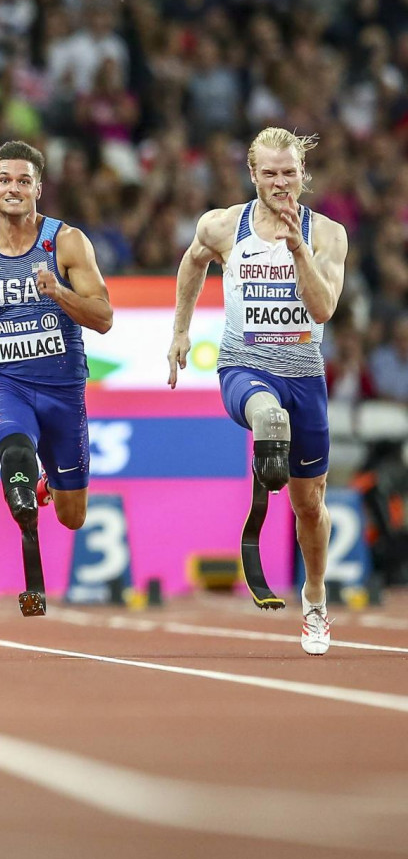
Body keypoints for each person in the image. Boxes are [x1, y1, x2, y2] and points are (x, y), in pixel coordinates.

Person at [168, 127, 348, 656]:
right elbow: (192, 261)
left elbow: (323, 309)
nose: (280, 182)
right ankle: (268, 437)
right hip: (245, 369)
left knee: (309, 505)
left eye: (289, 173)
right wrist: (180, 331)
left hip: (304, 377)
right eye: (269, 173)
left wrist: (297, 250)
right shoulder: (223, 225)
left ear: (303, 174)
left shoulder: (327, 234)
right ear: (252, 174)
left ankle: (314, 597)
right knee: (268, 415)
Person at [0, 141, 114, 617]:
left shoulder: (67, 243)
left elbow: (103, 317)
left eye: (24, 181)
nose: (13, 189)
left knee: (72, 516)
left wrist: (58, 292)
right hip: (9, 385)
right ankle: (26, 497)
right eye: (5, 180)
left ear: (38, 189)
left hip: (63, 391)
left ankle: (46, 484)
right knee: (14, 452)